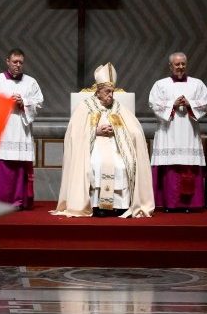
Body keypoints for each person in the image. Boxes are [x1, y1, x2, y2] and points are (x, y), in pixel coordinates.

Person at [53, 63, 155, 218]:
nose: (111, 96)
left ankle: (120, 205)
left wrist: (118, 130)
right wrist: (96, 131)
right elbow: (74, 133)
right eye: (107, 92)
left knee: (122, 164)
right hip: (93, 146)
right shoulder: (85, 106)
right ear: (98, 92)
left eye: (112, 92)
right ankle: (97, 205)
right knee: (97, 163)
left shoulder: (118, 107)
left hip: (116, 145)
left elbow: (134, 129)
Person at [148, 52, 207, 212]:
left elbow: (205, 104)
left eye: (183, 64)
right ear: (170, 66)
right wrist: (172, 104)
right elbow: (154, 105)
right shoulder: (160, 84)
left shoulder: (197, 84)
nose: (180, 67)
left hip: (189, 131)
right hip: (169, 132)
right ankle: (170, 204)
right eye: (177, 64)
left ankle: (191, 204)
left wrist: (190, 104)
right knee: (171, 168)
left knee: (188, 165)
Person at [0, 48, 44, 210]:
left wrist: (23, 102)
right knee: (2, 167)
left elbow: (38, 102)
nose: (18, 65)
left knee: (18, 168)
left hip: (21, 131)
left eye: (21, 62)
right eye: (15, 62)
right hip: (2, 131)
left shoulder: (30, 82)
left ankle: (18, 201)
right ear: (7, 62)